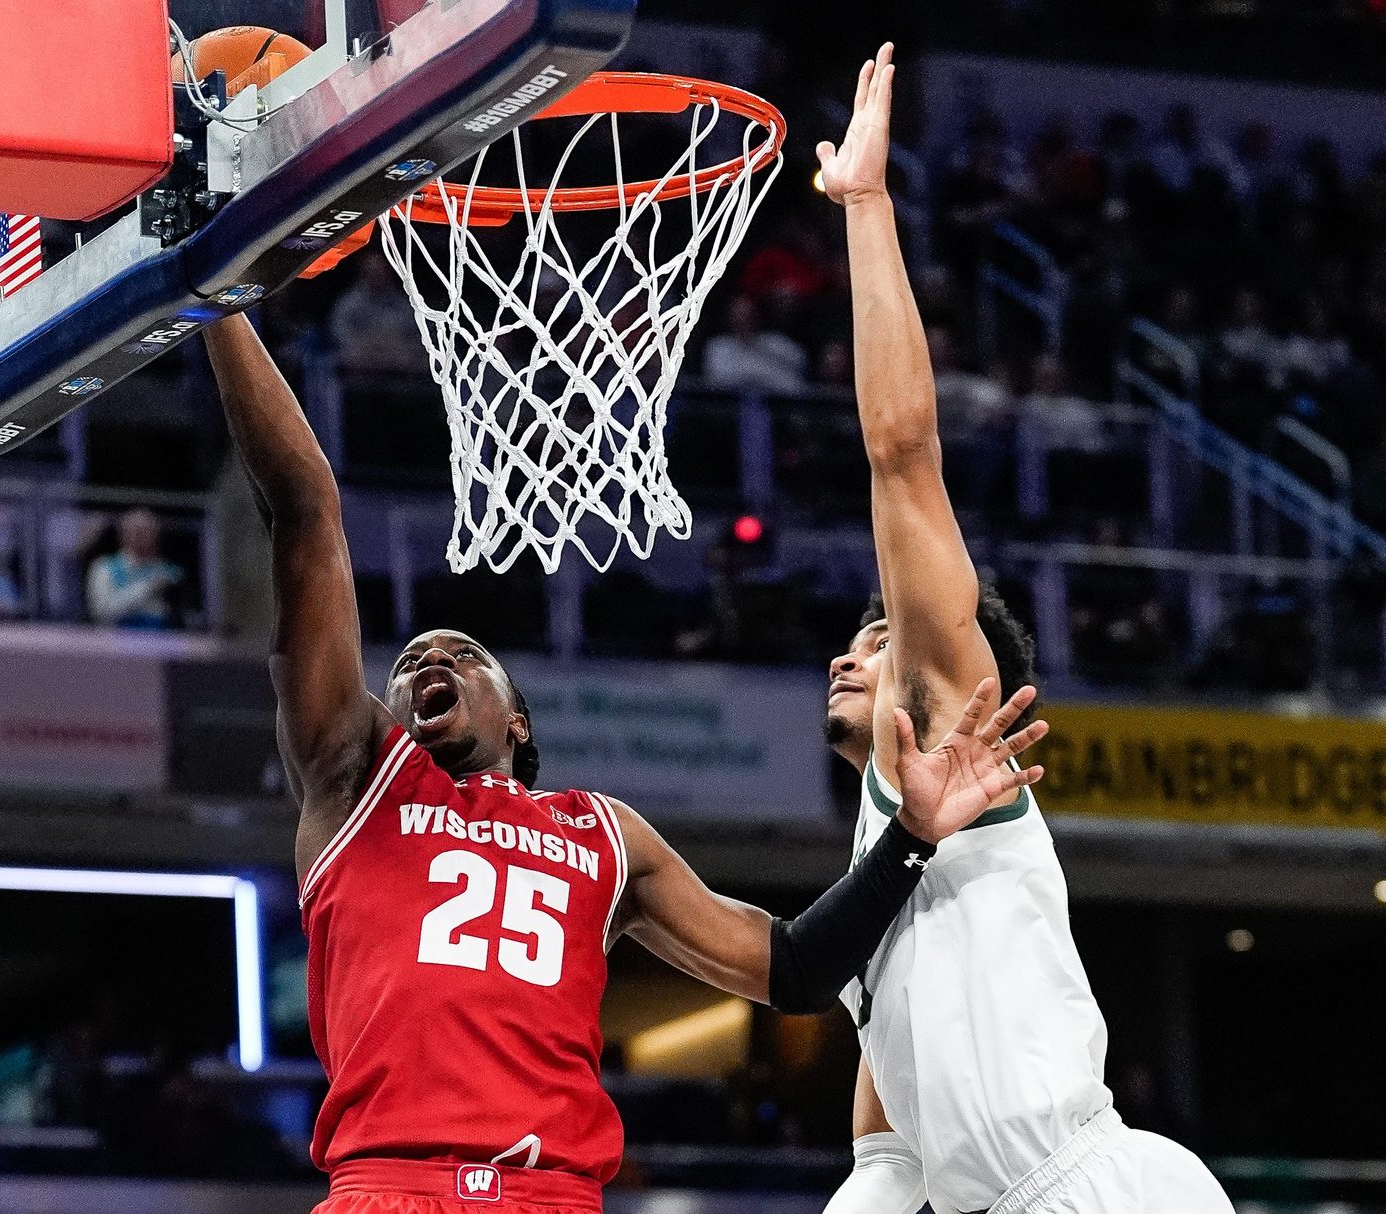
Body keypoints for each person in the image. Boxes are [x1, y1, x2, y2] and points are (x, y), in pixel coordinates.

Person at [200, 313, 1051, 1214]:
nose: (426, 662)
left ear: (518, 721)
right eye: (409, 660)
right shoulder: (356, 778)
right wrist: (220, 304)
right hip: (392, 1187)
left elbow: (793, 968)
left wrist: (911, 838)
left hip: (553, 1196)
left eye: (461, 652)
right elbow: (302, 507)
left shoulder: (604, 834)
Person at [814, 45, 1233, 1214]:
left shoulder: (952, 713)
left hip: (1090, 1186)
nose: (850, 651)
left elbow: (901, 455)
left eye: (878, 632)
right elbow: (888, 1143)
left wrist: (864, 207)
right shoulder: (877, 854)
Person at [85, 508, 183, 629]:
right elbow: (101, 613)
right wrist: (148, 588)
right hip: (116, 642)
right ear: (122, 534)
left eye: (147, 531)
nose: (139, 536)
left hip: (164, 642)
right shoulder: (104, 567)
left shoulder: (171, 572)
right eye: (135, 531)